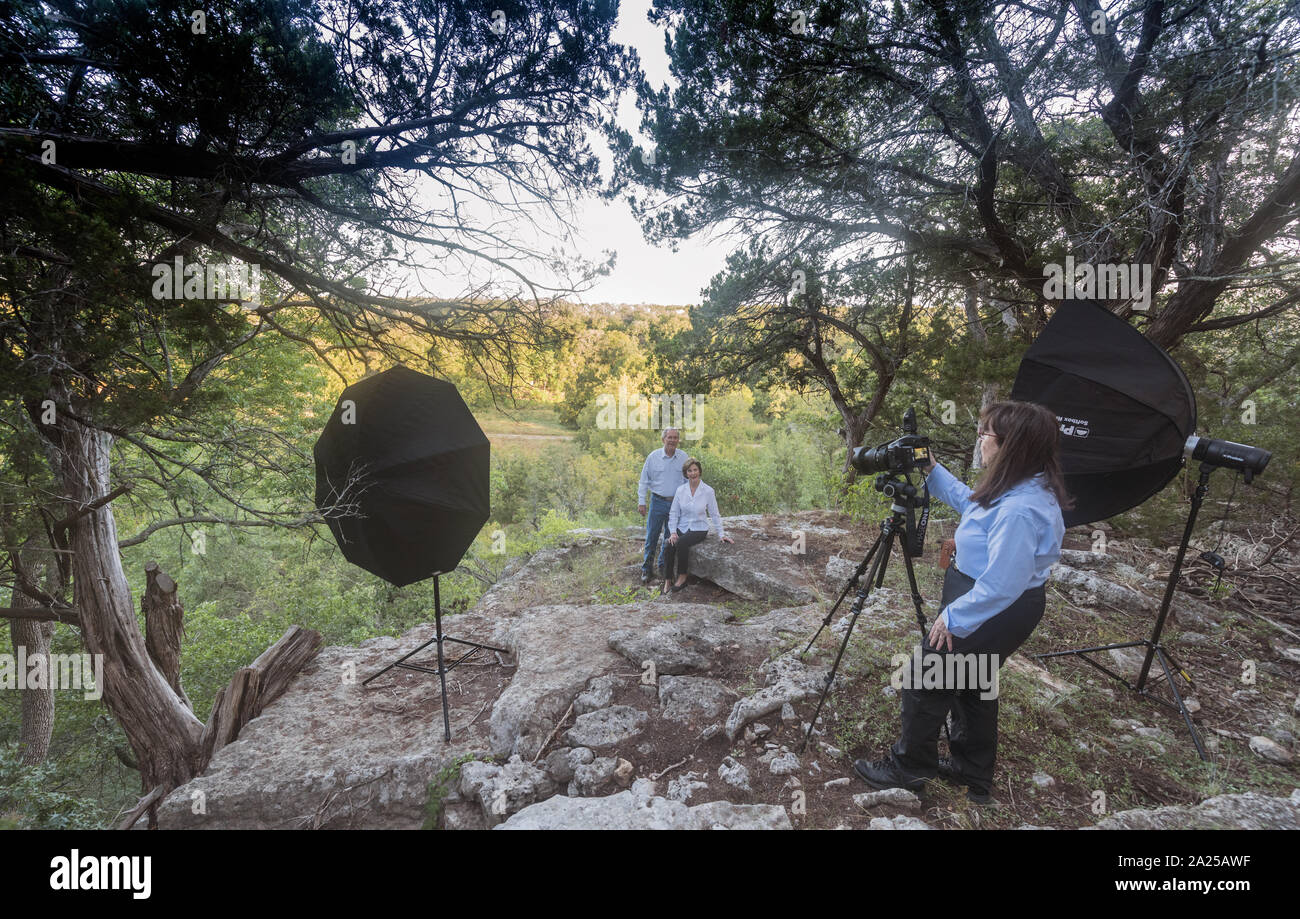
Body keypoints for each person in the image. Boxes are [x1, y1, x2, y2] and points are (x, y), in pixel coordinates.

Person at [853, 400, 1071, 804]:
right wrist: (932, 470)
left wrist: (954, 617)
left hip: (992, 604)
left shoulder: (1021, 509)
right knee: (974, 681)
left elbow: (1003, 584)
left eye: (986, 434)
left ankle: (908, 768)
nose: (980, 439)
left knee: (925, 678)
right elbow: (973, 506)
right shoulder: (1020, 485)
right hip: (989, 600)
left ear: (1010, 445)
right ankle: (972, 771)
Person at [661, 459, 733, 593]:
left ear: (699, 471)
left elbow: (714, 514)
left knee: (681, 543)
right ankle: (668, 580)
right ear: (686, 473)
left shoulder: (708, 491)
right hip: (682, 526)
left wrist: (721, 534)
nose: (693, 473)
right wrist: (673, 532)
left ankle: (682, 577)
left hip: (699, 528)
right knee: (669, 544)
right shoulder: (681, 490)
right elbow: (674, 512)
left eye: (695, 470)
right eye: (689, 471)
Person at [637, 428, 690, 585]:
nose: (672, 440)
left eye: (675, 437)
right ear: (663, 439)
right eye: (669, 437)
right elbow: (644, 481)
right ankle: (647, 569)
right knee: (652, 536)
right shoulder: (653, 457)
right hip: (657, 502)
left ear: (678, 440)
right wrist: (641, 501)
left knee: (670, 537)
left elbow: (688, 481)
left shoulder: (683, 457)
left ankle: (663, 566)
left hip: (676, 504)